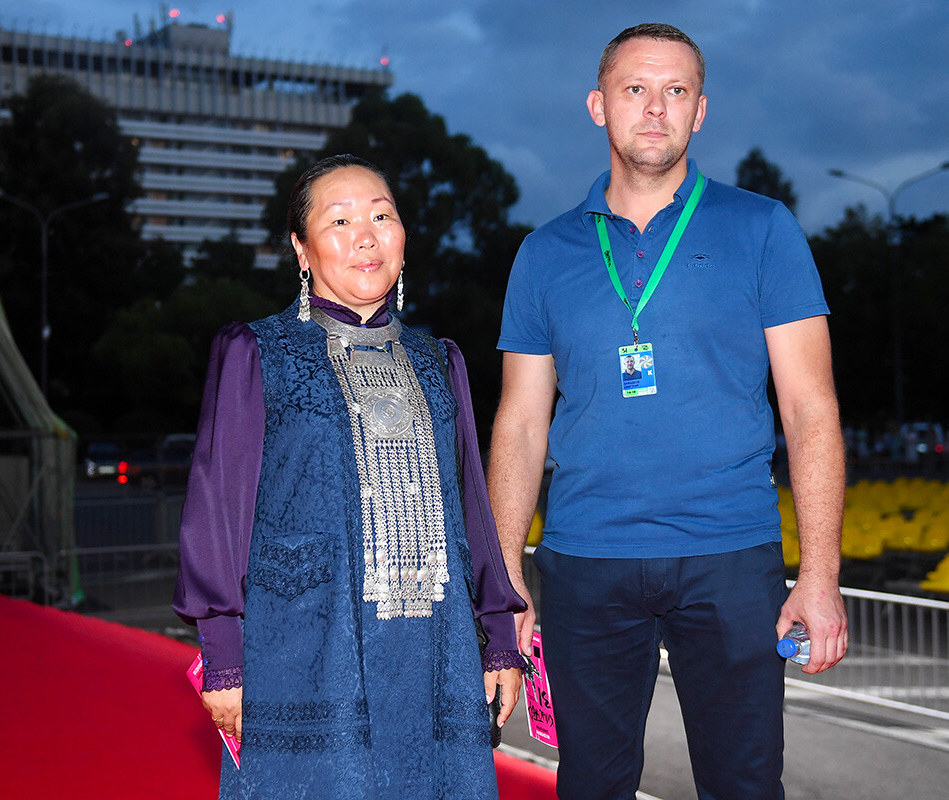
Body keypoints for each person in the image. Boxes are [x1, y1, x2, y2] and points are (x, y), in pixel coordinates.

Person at [488, 23, 847, 800]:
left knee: (745, 784)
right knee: (592, 785)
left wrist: (820, 576)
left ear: (701, 110)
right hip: (586, 557)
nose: (656, 109)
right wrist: (505, 576)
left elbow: (810, 410)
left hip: (730, 553)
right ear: (598, 105)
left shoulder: (763, 228)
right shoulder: (544, 253)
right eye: (636, 89)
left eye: (676, 91)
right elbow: (519, 422)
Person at [173, 154, 526, 799]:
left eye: (381, 216)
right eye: (339, 221)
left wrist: (500, 637)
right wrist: (223, 651)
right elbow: (216, 508)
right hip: (306, 648)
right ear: (301, 250)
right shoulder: (258, 352)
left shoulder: (439, 359)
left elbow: (472, 508)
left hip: (433, 649)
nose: (366, 235)